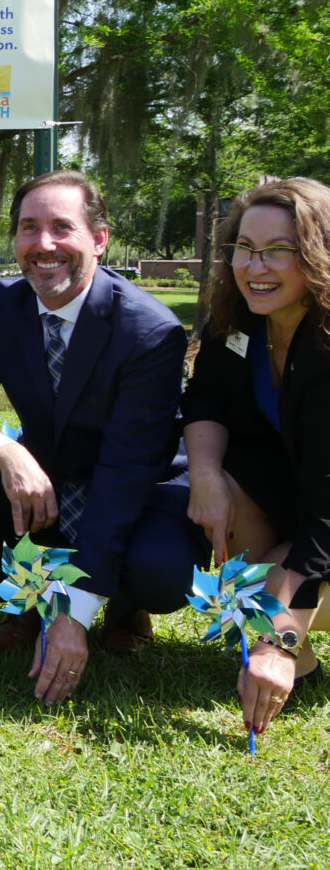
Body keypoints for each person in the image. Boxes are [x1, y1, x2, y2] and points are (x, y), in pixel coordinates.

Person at [0, 170, 204, 706]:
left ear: (99, 240)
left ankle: (123, 607)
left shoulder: (149, 332)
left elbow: (125, 472)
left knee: (164, 573)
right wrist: (5, 450)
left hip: (139, 489)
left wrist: (77, 616)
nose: (43, 245)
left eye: (62, 228)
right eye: (28, 228)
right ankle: (29, 600)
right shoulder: (1, 306)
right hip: (49, 480)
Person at [181, 177, 330, 735]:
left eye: (277, 251)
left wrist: (276, 637)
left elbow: (326, 519)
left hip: (323, 523)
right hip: (297, 511)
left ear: (318, 255)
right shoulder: (240, 321)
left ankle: (285, 647)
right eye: (244, 248)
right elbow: (204, 398)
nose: (254, 266)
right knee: (246, 580)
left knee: (266, 608)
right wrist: (204, 474)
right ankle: (302, 660)